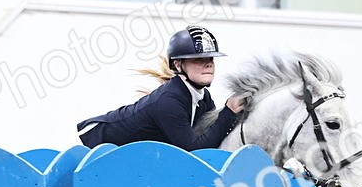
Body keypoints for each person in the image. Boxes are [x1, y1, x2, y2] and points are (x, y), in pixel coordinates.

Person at [77, 25, 247, 150]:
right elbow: (194, 150)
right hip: (96, 143)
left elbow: (209, 135)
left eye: (210, 59)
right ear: (178, 65)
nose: (208, 64)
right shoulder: (169, 101)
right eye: (198, 59)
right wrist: (228, 112)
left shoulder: (203, 97)